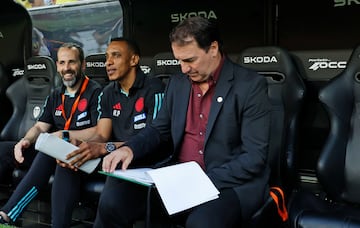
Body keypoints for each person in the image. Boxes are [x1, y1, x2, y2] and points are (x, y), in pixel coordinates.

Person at [94, 16, 271, 228]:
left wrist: (200, 180)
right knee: (114, 198)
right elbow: (158, 130)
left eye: (189, 60)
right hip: (177, 179)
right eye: (179, 60)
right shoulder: (178, 84)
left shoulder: (250, 86)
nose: (184, 68)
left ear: (213, 48)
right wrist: (129, 149)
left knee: (202, 223)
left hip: (226, 184)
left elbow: (254, 157)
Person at [0, 42, 102, 226]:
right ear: (57, 66)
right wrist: (25, 141)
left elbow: (99, 133)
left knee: (51, 153)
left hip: (82, 156)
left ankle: (7, 216)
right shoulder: (56, 94)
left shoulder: (95, 92)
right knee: (4, 150)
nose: (67, 68)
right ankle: (6, 215)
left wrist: (64, 134)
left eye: (72, 62)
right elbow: (40, 127)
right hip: (54, 151)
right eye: (62, 63)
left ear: (83, 64)